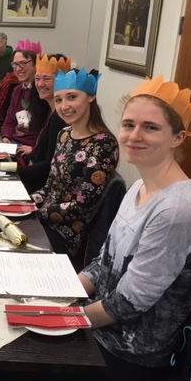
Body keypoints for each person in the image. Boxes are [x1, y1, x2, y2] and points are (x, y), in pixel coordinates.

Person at [72, 76, 191, 381]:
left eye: (151, 127)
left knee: (4, 366)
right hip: (102, 329)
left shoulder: (177, 210)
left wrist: (63, 319)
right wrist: (57, 294)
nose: (134, 136)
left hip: (128, 356)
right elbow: (101, 262)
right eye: (128, 124)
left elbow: (128, 305)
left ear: (178, 138)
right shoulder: (138, 187)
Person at [32, 68, 119, 269]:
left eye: (72, 97)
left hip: (69, 234)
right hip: (44, 219)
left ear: (91, 97)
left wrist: (38, 212)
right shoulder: (64, 134)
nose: (64, 106)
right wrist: (26, 203)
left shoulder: (103, 144)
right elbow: (50, 187)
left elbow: (83, 207)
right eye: (59, 99)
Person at [16, 54, 71, 193]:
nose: (40, 84)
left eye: (47, 79)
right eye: (37, 78)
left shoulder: (60, 118)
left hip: (42, 187)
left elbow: (48, 165)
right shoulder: (47, 110)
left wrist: (14, 171)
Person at [0, 39, 45, 147]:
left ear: (36, 64)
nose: (18, 69)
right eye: (15, 64)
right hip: (14, 143)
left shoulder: (43, 92)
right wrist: (6, 137)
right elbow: (9, 121)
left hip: (31, 147)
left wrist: (34, 149)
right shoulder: (17, 90)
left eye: (23, 64)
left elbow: (45, 131)